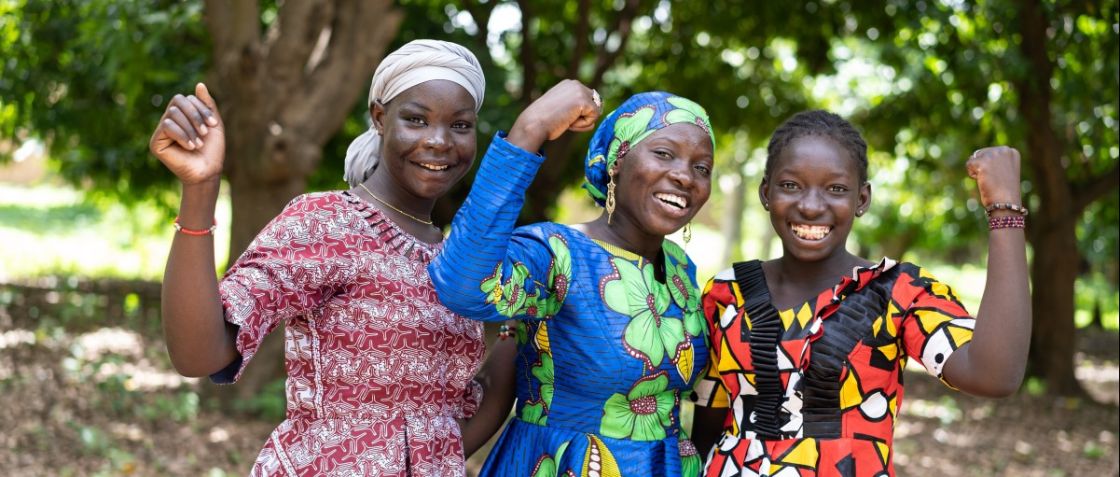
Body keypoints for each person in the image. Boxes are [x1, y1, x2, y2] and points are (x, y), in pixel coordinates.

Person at [150, 39, 515, 476]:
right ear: (380, 117)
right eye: (416, 119)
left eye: (460, 125)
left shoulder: (457, 258)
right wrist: (200, 189)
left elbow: (445, 430)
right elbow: (200, 354)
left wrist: (534, 315)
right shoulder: (327, 223)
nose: (438, 141)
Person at [690, 110, 1031, 476]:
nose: (811, 205)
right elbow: (708, 424)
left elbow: (994, 376)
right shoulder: (728, 293)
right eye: (791, 185)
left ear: (862, 199)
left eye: (836, 189)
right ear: (765, 193)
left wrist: (1003, 210)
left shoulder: (899, 292)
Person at [429, 81, 717, 476]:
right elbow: (462, 285)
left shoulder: (681, 268)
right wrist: (530, 129)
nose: (685, 176)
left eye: (701, 168)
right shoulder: (557, 253)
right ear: (617, 161)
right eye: (664, 154)